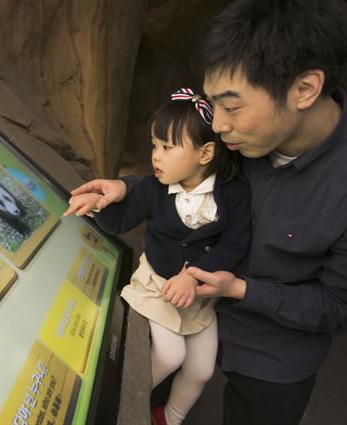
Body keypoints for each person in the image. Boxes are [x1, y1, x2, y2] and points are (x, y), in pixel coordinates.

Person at [67, 1, 347, 424]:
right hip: (180, 314)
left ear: (304, 89)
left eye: (232, 107)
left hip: (272, 359)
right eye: (213, 105)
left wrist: (238, 289)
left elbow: (335, 306)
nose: (217, 125)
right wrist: (125, 186)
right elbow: (189, 168)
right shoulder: (236, 141)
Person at [65, 88, 251, 425]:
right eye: (154, 145)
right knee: (171, 354)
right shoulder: (154, 188)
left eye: (167, 147)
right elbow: (123, 219)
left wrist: (193, 274)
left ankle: (168, 418)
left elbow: (234, 246)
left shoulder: (233, 193)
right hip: (157, 287)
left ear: (206, 153)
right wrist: (100, 206)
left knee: (202, 369)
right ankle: (118, 409)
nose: (156, 156)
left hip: (198, 297)